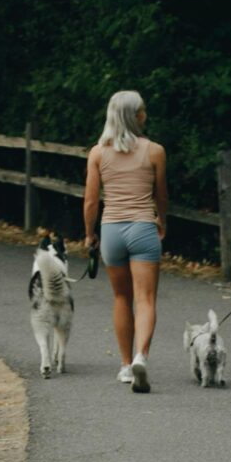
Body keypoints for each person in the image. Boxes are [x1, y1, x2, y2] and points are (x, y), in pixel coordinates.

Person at [82, 88, 168, 393]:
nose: (145, 114)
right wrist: (162, 221)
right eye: (142, 110)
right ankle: (141, 356)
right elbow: (161, 195)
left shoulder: (98, 153)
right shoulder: (155, 151)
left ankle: (124, 365)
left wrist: (90, 234)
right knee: (146, 299)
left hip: (112, 230)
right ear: (134, 116)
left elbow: (91, 201)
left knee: (121, 298)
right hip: (143, 227)